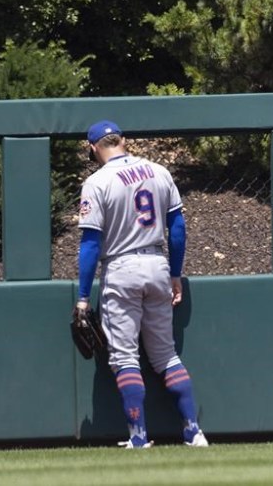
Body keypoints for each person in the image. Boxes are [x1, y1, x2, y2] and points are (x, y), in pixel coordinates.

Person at [76, 120, 208, 449]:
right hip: (156, 262)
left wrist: (82, 296)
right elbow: (177, 228)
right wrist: (175, 272)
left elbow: (91, 244)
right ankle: (193, 431)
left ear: (93, 148)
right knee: (165, 356)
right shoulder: (158, 171)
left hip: (121, 267)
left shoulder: (96, 181)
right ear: (124, 140)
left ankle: (139, 436)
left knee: (125, 358)